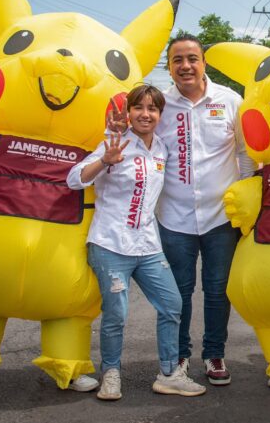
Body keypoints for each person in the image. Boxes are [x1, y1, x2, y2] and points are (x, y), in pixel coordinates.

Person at [67, 85, 206, 400]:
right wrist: (104, 161)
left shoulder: (161, 148)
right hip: (110, 244)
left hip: (148, 245)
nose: (146, 114)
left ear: (160, 114)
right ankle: (111, 373)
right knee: (116, 314)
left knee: (172, 305)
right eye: (138, 108)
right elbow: (74, 179)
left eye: (152, 109)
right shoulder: (114, 142)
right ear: (128, 113)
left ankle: (169, 374)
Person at [155, 35, 255, 385]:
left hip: (221, 218)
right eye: (177, 60)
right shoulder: (160, 105)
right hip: (174, 217)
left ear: (204, 63)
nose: (185, 66)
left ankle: (214, 353)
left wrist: (246, 197)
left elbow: (244, 152)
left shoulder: (230, 100)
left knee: (217, 290)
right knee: (177, 292)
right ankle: (179, 356)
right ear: (169, 67)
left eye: (192, 59)